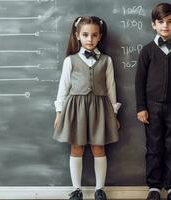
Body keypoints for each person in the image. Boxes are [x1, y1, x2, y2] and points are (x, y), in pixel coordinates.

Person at [53, 16, 121, 200]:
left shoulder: (107, 60)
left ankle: (100, 189)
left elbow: (111, 88)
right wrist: (59, 113)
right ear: (77, 36)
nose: (90, 39)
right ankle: (77, 190)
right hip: (76, 109)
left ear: (100, 37)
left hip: (100, 108)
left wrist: (114, 113)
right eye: (85, 35)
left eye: (94, 35)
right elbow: (63, 87)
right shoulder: (70, 60)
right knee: (77, 148)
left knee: (99, 148)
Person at [135, 3, 171, 200]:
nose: (165, 26)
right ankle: (153, 188)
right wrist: (141, 107)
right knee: (153, 148)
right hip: (151, 108)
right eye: (161, 22)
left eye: (169, 22)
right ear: (154, 25)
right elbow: (139, 81)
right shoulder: (147, 51)